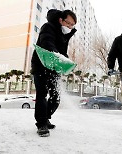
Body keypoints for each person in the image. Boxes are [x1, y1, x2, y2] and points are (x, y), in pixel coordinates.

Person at [31, 9, 77, 137]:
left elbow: (63, 51)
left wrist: (66, 61)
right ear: (60, 20)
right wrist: (58, 56)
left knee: (56, 97)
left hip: (54, 67)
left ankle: (45, 117)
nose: (70, 27)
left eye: (72, 25)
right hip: (40, 65)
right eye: (68, 23)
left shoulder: (64, 34)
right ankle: (41, 124)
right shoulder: (48, 27)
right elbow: (47, 43)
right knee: (42, 94)